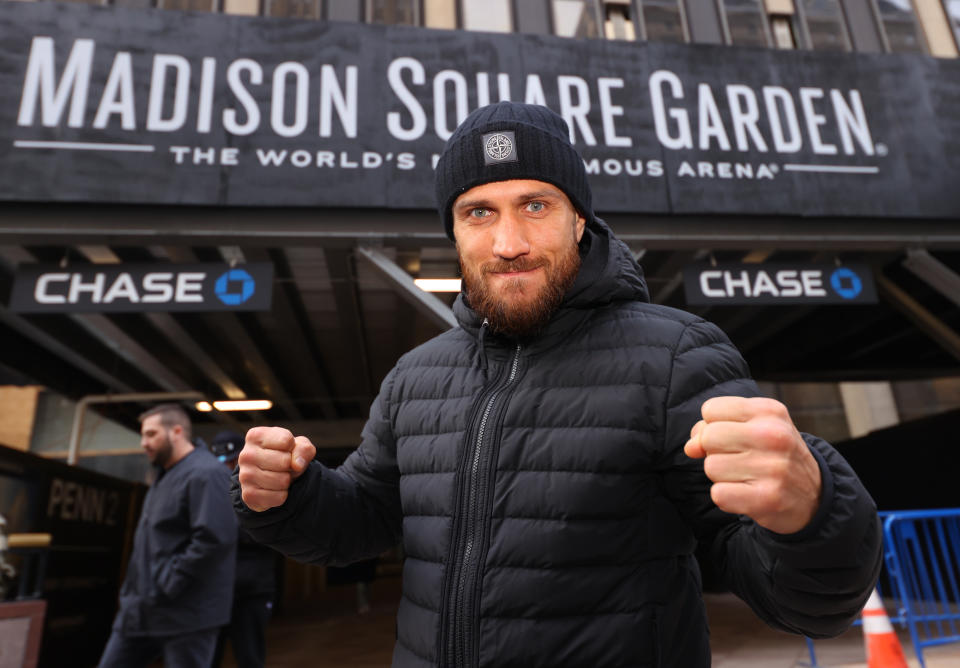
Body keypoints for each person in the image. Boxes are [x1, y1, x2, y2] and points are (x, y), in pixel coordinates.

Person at [231, 102, 882, 667]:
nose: (508, 241)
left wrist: (811, 513)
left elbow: (797, 598)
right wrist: (291, 497)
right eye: (479, 212)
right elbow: (366, 520)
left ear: (579, 220)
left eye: (535, 205)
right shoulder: (414, 376)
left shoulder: (677, 356)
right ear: (453, 233)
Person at [98, 404, 237, 668]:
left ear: (176, 431)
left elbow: (215, 538)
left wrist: (170, 583)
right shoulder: (163, 476)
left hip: (187, 615)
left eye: (151, 434)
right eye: (143, 435)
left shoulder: (207, 474)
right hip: (140, 612)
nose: (144, 443)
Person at [208, 431, 278, 668]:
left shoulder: (261, 490)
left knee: (250, 657)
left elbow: (269, 535)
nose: (227, 467)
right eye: (221, 462)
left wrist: (220, 533)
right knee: (208, 658)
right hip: (215, 593)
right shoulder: (209, 492)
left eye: (231, 460)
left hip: (250, 592)